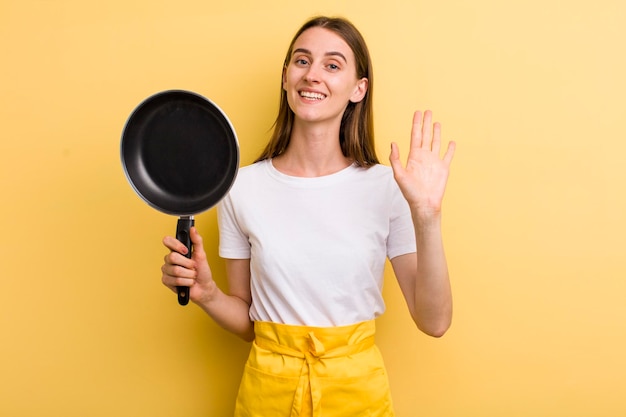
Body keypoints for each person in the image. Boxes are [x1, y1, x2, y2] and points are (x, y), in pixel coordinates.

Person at [161, 15, 455, 417]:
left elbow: (433, 321)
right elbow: (250, 324)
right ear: (285, 77)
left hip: (357, 397)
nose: (312, 75)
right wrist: (208, 295)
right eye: (302, 61)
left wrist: (427, 216)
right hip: (268, 395)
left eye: (332, 65)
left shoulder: (388, 188)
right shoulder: (240, 188)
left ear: (358, 89)